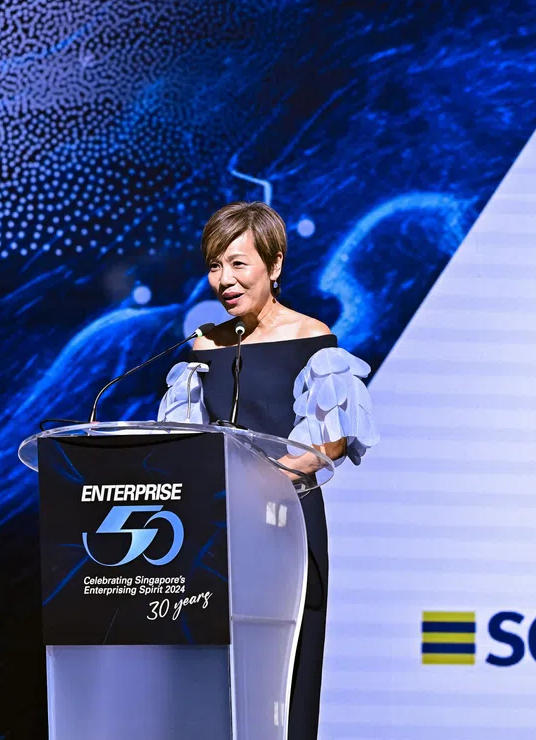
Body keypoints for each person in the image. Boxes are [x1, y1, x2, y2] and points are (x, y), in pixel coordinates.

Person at [160, 200, 377, 739]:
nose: (224, 280)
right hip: (216, 532)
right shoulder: (204, 344)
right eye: (215, 266)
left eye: (239, 263)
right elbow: (183, 444)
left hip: (287, 524)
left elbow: (327, 443)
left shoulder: (310, 337)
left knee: (287, 670)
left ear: (274, 265)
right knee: (219, 677)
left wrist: (252, 484)